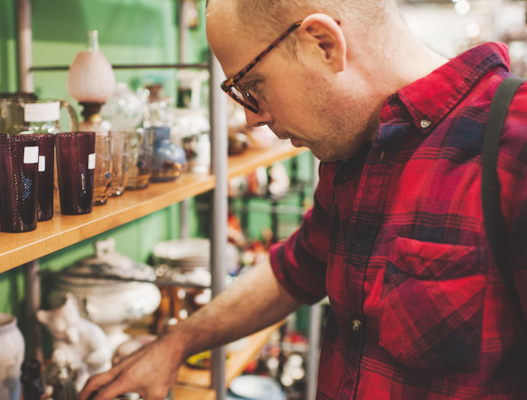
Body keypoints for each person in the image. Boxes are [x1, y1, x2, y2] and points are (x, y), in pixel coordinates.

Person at [79, 0, 527, 398]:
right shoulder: (356, 148)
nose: (253, 117)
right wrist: (175, 345)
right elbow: (297, 267)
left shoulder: (514, 146)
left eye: (252, 85)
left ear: (323, 44)